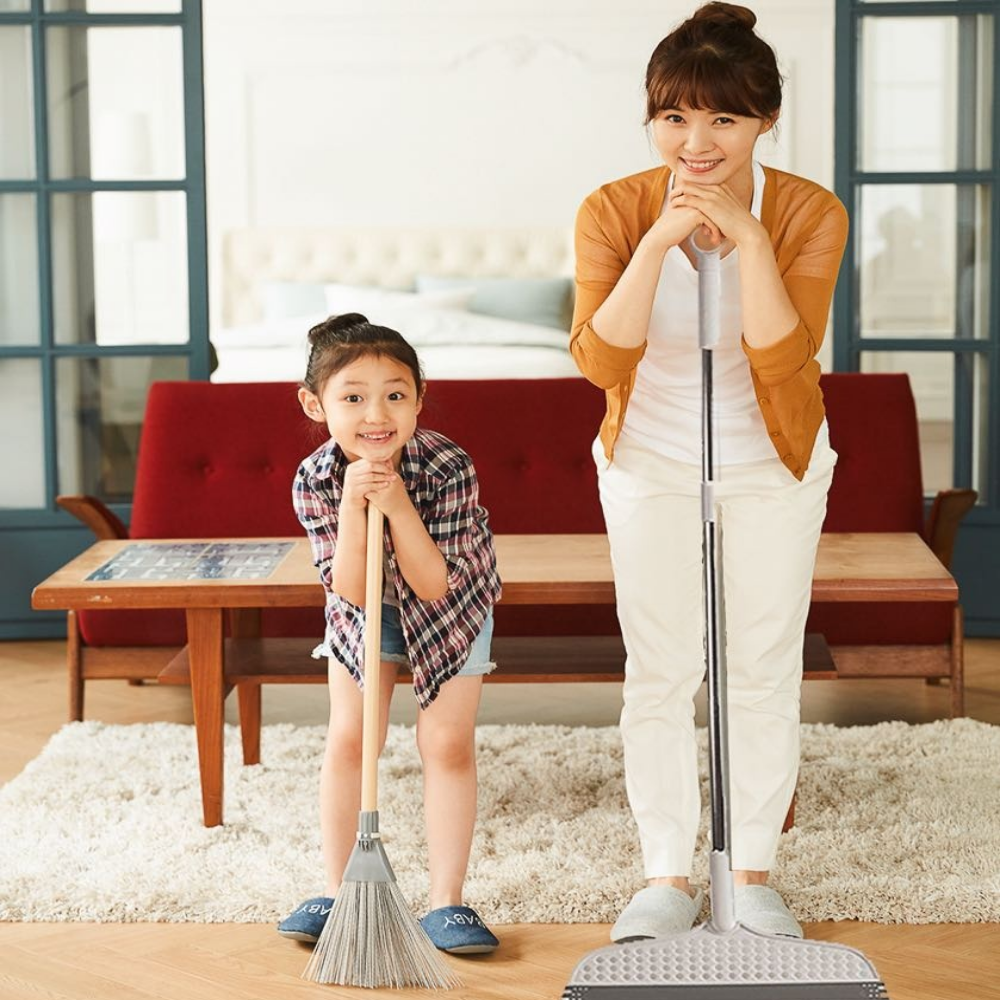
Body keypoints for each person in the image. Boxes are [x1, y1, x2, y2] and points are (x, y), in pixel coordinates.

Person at [572, 2, 848, 941]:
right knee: (659, 669)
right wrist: (659, 241)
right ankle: (666, 875)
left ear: (766, 119)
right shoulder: (612, 210)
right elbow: (600, 360)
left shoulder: (809, 212)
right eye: (675, 117)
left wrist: (752, 240)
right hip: (648, 459)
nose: (697, 143)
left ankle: (753, 873)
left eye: (724, 118)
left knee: (762, 667)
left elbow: (784, 358)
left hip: (774, 463)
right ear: (652, 118)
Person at [278, 312, 502, 955]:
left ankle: (447, 901)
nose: (376, 414)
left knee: (446, 743)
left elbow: (432, 584)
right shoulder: (315, 478)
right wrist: (354, 504)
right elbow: (350, 588)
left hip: (451, 606)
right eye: (353, 398)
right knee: (353, 738)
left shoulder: (447, 465)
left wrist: (397, 503)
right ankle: (337, 890)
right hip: (363, 609)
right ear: (315, 405)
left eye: (395, 395)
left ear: (419, 399)